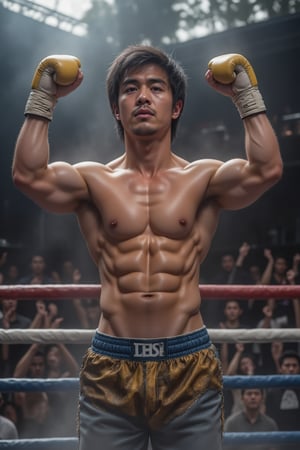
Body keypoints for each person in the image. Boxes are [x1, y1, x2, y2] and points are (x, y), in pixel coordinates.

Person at [12, 45, 282, 450]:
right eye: (130, 88)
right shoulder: (93, 181)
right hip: (111, 367)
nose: (142, 96)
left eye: (156, 87)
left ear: (176, 107)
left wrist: (245, 92)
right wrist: (44, 95)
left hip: (188, 363)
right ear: (116, 110)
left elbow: (267, 169)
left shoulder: (202, 178)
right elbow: (28, 175)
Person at [265, 350, 300, 450]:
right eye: (287, 365)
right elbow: (269, 417)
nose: (291, 369)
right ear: (280, 368)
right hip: (278, 441)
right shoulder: (272, 392)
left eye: (294, 365)